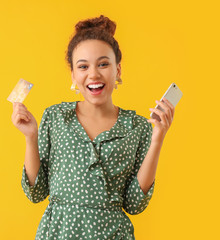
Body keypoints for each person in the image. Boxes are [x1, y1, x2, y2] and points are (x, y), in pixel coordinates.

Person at [11, 15, 175, 240]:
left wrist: (158, 138)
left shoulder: (137, 127)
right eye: (83, 66)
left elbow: (135, 204)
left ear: (118, 70)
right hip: (58, 232)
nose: (94, 74)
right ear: (73, 75)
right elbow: (36, 192)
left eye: (103, 64)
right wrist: (31, 137)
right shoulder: (56, 117)